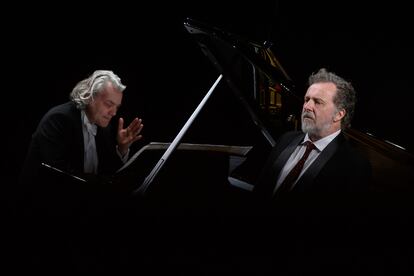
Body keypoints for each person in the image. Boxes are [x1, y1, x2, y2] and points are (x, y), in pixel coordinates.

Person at [18, 70, 144, 210]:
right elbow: (58, 178)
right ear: (89, 96)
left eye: (116, 107)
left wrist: (122, 148)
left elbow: (109, 174)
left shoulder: (102, 126)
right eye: (109, 104)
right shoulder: (59, 119)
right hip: (43, 206)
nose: (114, 113)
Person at [253, 68, 372, 201]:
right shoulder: (286, 139)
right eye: (306, 99)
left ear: (339, 114)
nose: (307, 106)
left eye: (318, 102)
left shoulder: (355, 166)